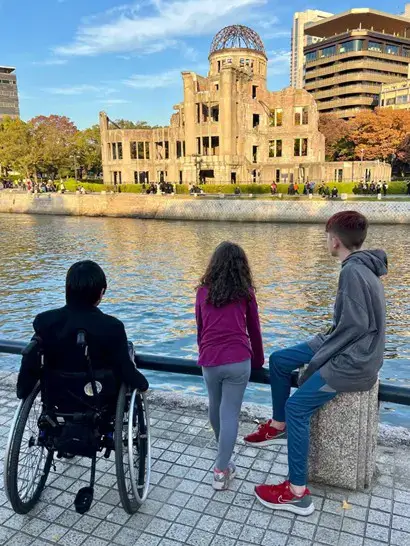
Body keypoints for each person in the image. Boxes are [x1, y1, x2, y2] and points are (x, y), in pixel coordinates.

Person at [244, 211, 387, 516]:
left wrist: (319, 358)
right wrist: (323, 342)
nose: (326, 241)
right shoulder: (362, 266)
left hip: (353, 361)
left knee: (298, 407)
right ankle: (278, 426)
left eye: (326, 236)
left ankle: (297, 493)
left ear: (334, 241)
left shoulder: (352, 272)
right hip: (344, 345)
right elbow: (349, 325)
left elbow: (355, 328)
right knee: (280, 361)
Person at [17, 260, 149, 401]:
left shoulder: (45, 321)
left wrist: (23, 390)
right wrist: (143, 384)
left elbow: (30, 363)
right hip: (100, 400)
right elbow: (125, 370)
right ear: (101, 292)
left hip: (57, 399)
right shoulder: (112, 327)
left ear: (67, 289)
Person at [196, 242, 264, 491]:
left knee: (215, 408)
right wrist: (257, 361)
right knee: (230, 414)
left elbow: (200, 328)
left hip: (210, 359)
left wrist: (203, 353)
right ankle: (221, 469)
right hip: (238, 360)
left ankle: (223, 458)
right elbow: (254, 330)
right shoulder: (246, 293)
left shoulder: (203, 292)